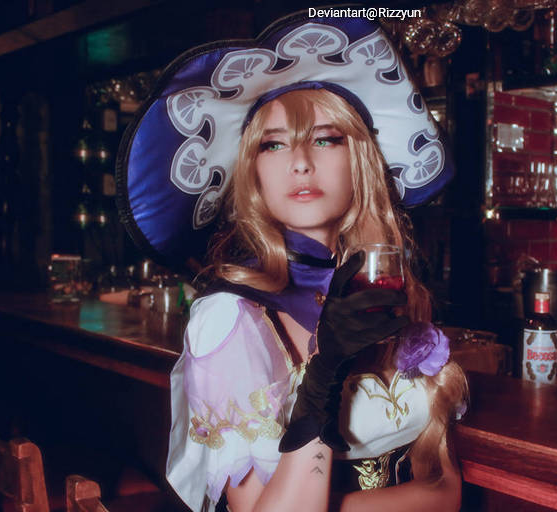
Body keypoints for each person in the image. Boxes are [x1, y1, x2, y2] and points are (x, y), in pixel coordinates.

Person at [116, 11, 467, 512]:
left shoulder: (386, 286)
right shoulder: (230, 319)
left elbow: (446, 492)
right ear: (253, 171)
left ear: (360, 160)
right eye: (274, 144)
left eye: (325, 138)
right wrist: (323, 374)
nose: (300, 162)